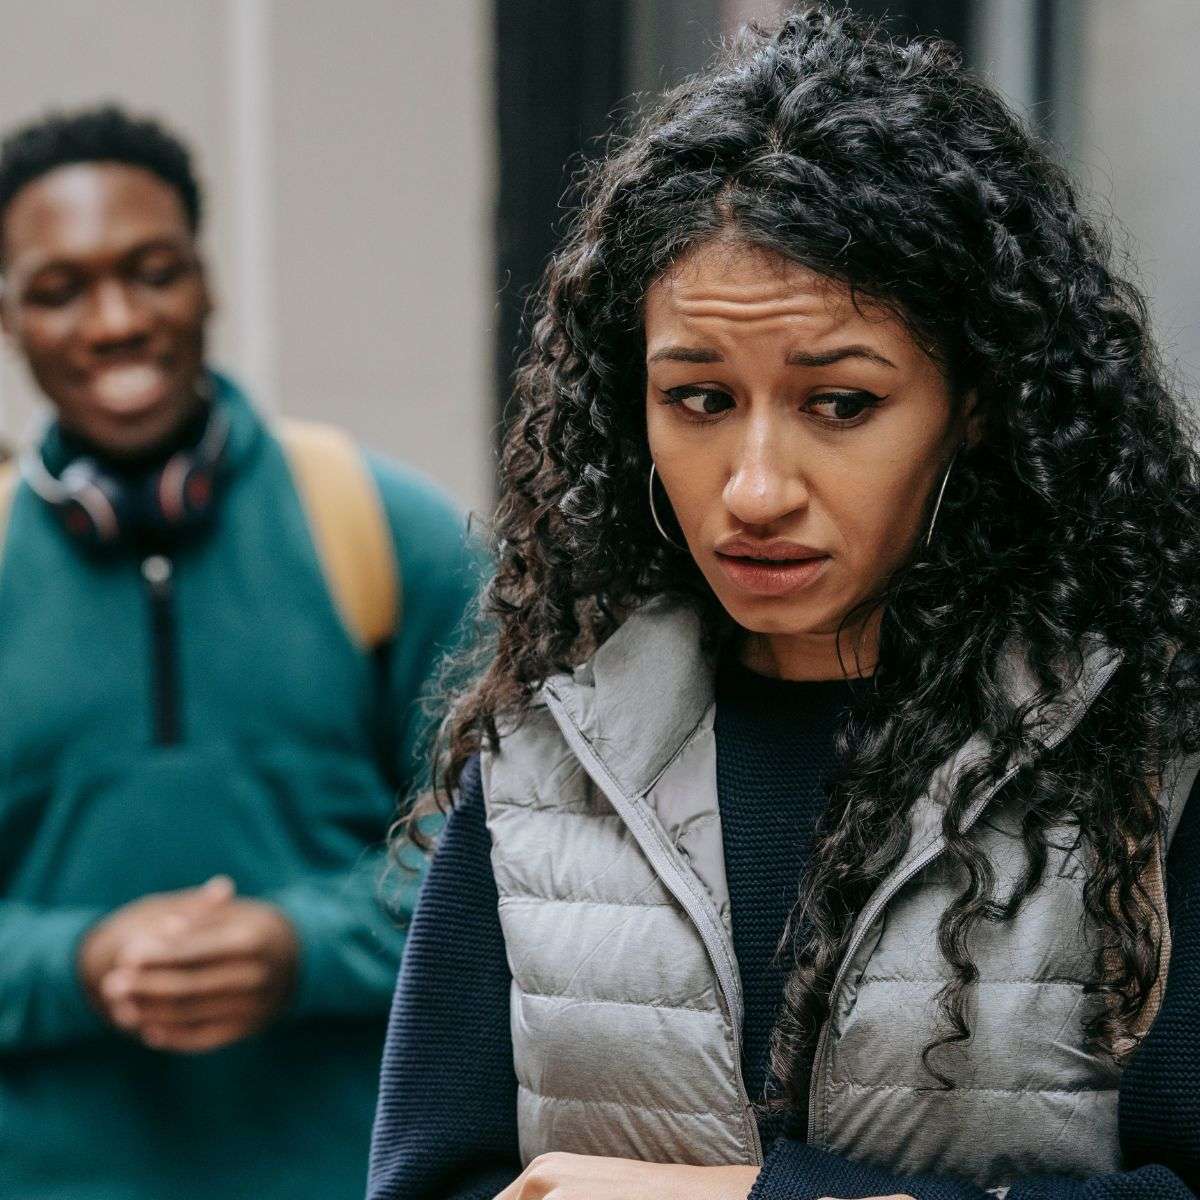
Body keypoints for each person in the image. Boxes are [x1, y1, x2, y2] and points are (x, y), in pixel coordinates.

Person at [367, 10, 1200, 1200]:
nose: (755, 490)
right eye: (700, 400)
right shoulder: (547, 762)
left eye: (841, 404)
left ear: (973, 403)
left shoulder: (1147, 753)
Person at [0, 106, 479, 1200]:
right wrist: (80, 963)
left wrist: (297, 947)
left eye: (152, 271)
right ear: (9, 316)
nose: (116, 321)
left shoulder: (389, 530)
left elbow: (511, 853)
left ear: (206, 282)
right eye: (61, 289)